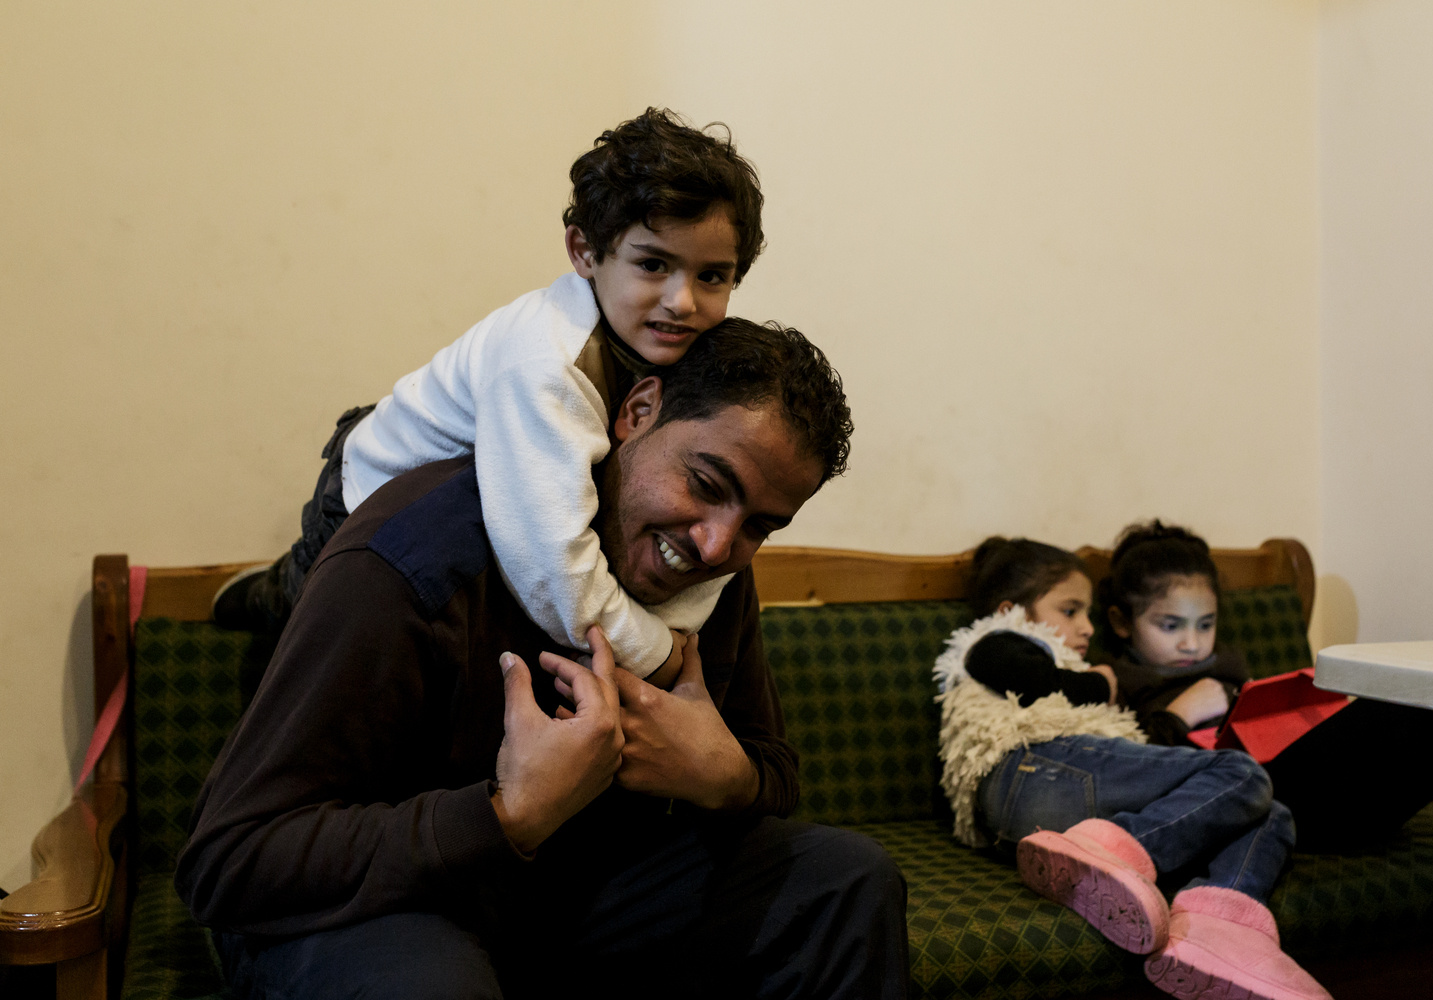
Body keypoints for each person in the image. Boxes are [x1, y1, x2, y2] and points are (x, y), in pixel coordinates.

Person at [176, 319, 908, 1000]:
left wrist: (727, 776)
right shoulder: (414, 560)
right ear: (638, 411)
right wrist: (509, 813)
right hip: (380, 906)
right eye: (708, 485)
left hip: (564, 903)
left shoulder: (708, 575)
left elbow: (771, 771)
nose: (717, 546)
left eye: (759, 526)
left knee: (847, 885)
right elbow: (231, 861)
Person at [213, 107, 766, 688]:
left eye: (712, 277)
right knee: (312, 633)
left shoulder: (678, 345)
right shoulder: (547, 365)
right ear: (584, 252)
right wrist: (656, 652)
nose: (682, 300)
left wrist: (668, 631)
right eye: (653, 264)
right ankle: (269, 594)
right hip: (373, 491)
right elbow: (552, 568)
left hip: (480, 505)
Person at [934, 536, 1328, 1000]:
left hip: (1043, 813)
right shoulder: (996, 643)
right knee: (1240, 774)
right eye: (1070, 611)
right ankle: (1117, 855)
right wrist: (1100, 683)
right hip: (1032, 769)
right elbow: (1030, 678)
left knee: (1272, 811)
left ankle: (1216, 931)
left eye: (1087, 613)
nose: (1086, 628)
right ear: (1008, 611)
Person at [1098, 520, 1433, 853]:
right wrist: (1176, 716)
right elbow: (1121, 778)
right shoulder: (1116, 685)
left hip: (1328, 799)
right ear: (1121, 622)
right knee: (1402, 709)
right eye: (1170, 626)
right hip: (1254, 805)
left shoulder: (1230, 667)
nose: (1191, 643)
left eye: (1205, 624)